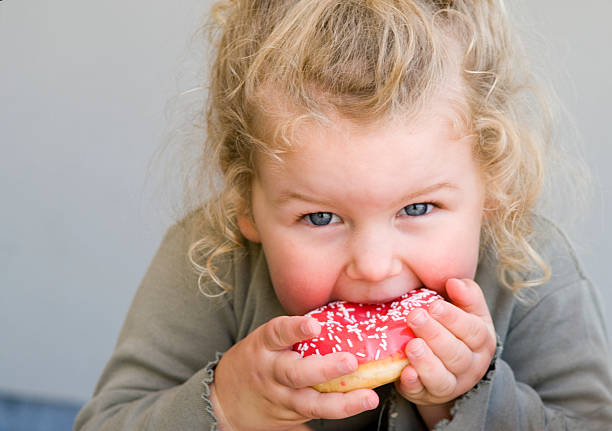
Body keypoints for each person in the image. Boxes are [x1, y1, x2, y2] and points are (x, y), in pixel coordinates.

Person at [74, 1, 612, 430]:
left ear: (491, 185)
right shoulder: (212, 260)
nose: (375, 267)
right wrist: (230, 406)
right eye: (321, 218)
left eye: (418, 208)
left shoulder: (531, 267)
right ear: (245, 205)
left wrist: (466, 399)